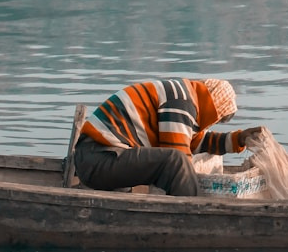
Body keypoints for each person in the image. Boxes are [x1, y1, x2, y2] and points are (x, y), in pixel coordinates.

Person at [72, 77, 266, 196]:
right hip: (98, 159)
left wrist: (239, 139)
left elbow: (195, 142)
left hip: (98, 158)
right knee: (176, 160)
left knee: (177, 160)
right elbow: (179, 154)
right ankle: (195, 215)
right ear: (214, 110)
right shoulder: (180, 103)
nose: (213, 124)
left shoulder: (184, 95)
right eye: (218, 120)